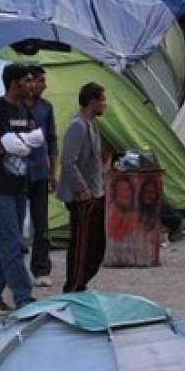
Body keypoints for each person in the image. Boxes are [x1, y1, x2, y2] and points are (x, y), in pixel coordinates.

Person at [0, 63, 40, 314]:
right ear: (14, 83)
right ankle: (23, 296)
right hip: (0, 185)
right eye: (27, 81)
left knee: (5, 244)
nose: (31, 85)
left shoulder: (25, 110)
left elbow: (35, 140)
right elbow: (7, 144)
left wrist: (18, 142)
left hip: (20, 184)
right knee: (13, 242)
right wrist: (18, 143)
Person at [57, 82, 108, 293]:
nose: (105, 104)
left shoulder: (92, 125)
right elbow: (68, 161)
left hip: (95, 192)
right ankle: (74, 285)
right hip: (83, 198)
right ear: (92, 101)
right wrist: (81, 188)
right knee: (82, 245)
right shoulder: (77, 126)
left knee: (96, 244)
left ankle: (82, 282)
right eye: (102, 100)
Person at [24, 65, 58, 287]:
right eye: (40, 81)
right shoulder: (14, 107)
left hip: (39, 172)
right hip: (16, 173)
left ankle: (41, 269)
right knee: (15, 223)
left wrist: (53, 173)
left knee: (41, 224)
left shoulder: (46, 108)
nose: (43, 85)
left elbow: (52, 141)